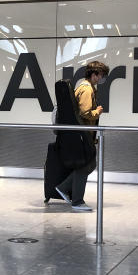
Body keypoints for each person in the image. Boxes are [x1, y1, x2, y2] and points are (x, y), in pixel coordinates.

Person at [56, 60, 109, 212]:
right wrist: (97, 112)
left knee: (89, 164)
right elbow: (85, 113)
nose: (102, 79)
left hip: (84, 133)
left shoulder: (85, 87)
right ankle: (77, 201)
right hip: (83, 133)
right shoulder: (87, 89)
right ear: (94, 74)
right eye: (101, 76)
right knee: (87, 165)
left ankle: (64, 188)